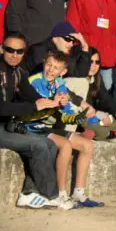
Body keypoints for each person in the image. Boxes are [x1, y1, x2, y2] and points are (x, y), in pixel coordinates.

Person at [0, 32, 73, 209]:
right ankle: (52, 196)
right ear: (2, 49)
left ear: (24, 53)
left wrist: (57, 101)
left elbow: (34, 97)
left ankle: (29, 194)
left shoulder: (19, 71)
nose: (14, 55)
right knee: (39, 145)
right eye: (10, 50)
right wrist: (36, 106)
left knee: (48, 144)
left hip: (4, 127)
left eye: (19, 51)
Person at [20, 51, 102, 208]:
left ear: (63, 72)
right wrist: (55, 103)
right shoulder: (34, 81)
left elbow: (66, 114)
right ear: (44, 63)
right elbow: (34, 108)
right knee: (65, 145)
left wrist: (78, 116)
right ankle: (61, 195)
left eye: (56, 68)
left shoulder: (59, 84)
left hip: (46, 126)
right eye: (49, 65)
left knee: (87, 145)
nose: (51, 70)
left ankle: (78, 193)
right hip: (30, 127)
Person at [80, 48, 116, 140]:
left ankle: (111, 131)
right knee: (102, 131)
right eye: (90, 61)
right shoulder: (78, 79)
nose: (93, 65)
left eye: (97, 62)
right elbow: (78, 106)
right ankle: (109, 134)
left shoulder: (97, 78)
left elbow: (106, 99)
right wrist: (99, 114)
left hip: (93, 116)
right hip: (80, 117)